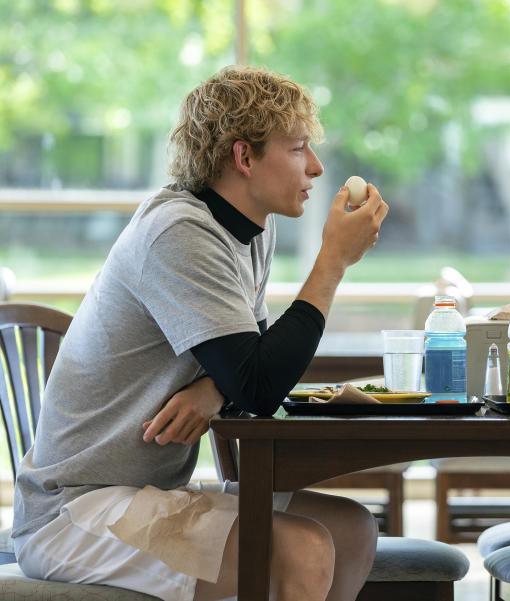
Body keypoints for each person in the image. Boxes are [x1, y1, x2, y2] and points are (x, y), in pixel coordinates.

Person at [13, 66, 389, 601]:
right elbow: (260, 385)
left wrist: (214, 388)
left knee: (353, 528)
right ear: (244, 158)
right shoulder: (179, 234)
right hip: (77, 511)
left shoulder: (250, 228)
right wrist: (332, 261)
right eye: (299, 147)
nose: (317, 166)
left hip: (148, 491)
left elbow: (248, 365)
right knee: (302, 549)